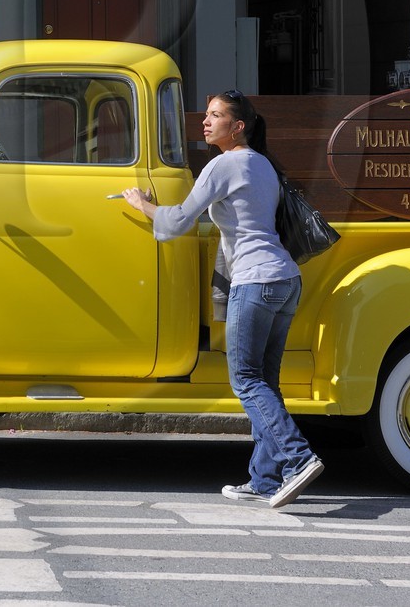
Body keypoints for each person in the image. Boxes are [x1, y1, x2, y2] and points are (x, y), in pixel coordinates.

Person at [120, 89, 323, 508]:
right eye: (207, 115)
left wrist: (142, 204)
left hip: (255, 281)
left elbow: (177, 222)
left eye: (216, 116)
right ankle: (265, 479)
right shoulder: (262, 164)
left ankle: (298, 458)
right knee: (265, 382)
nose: (206, 122)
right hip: (285, 279)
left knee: (245, 380)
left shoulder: (223, 164)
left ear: (238, 126)